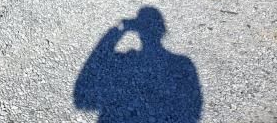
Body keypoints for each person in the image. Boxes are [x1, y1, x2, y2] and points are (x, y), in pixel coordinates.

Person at [74, 7, 202, 122]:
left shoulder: (125, 62)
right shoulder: (183, 64)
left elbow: (81, 98)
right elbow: (194, 111)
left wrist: (119, 30)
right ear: (162, 30)